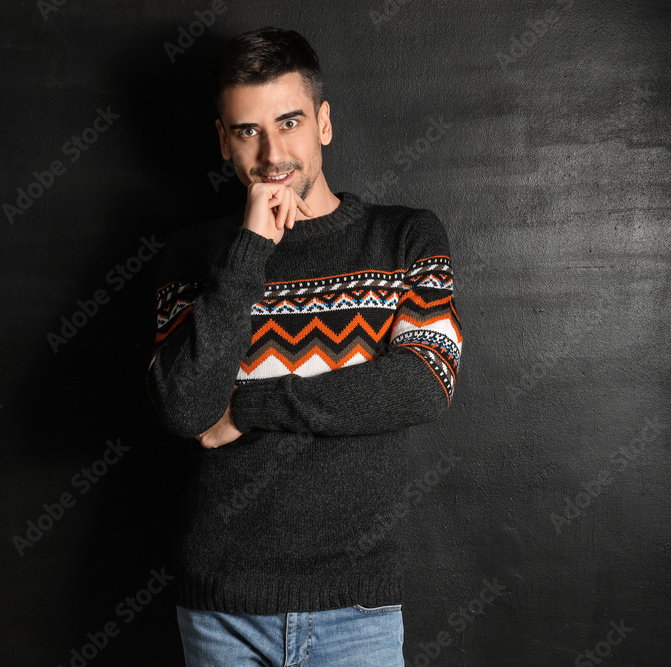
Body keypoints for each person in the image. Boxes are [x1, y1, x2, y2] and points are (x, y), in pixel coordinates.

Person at [146, 25, 463, 667]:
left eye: (288, 122)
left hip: (358, 606)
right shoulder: (193, 254)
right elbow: (184, 410)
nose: (271, 153)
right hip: (221, 607)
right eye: (247, 131)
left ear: (323, 122)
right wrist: (249, 252)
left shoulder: (403, 237)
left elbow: (423, 382)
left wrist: (245, 409)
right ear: (223, 142)